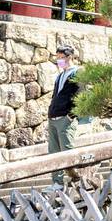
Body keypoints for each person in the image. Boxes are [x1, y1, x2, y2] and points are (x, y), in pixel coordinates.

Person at [48, 45, 80, 185]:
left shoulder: (77, 73)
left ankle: (76, 178)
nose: (60, 61)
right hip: (53, 117)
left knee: (67, 150)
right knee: (53, 152)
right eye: (58, 58)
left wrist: (71, 116)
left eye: (62, 58)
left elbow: (80, 96)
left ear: (70, 57)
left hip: (65, 118)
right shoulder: (60, 75)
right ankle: (57, 182)